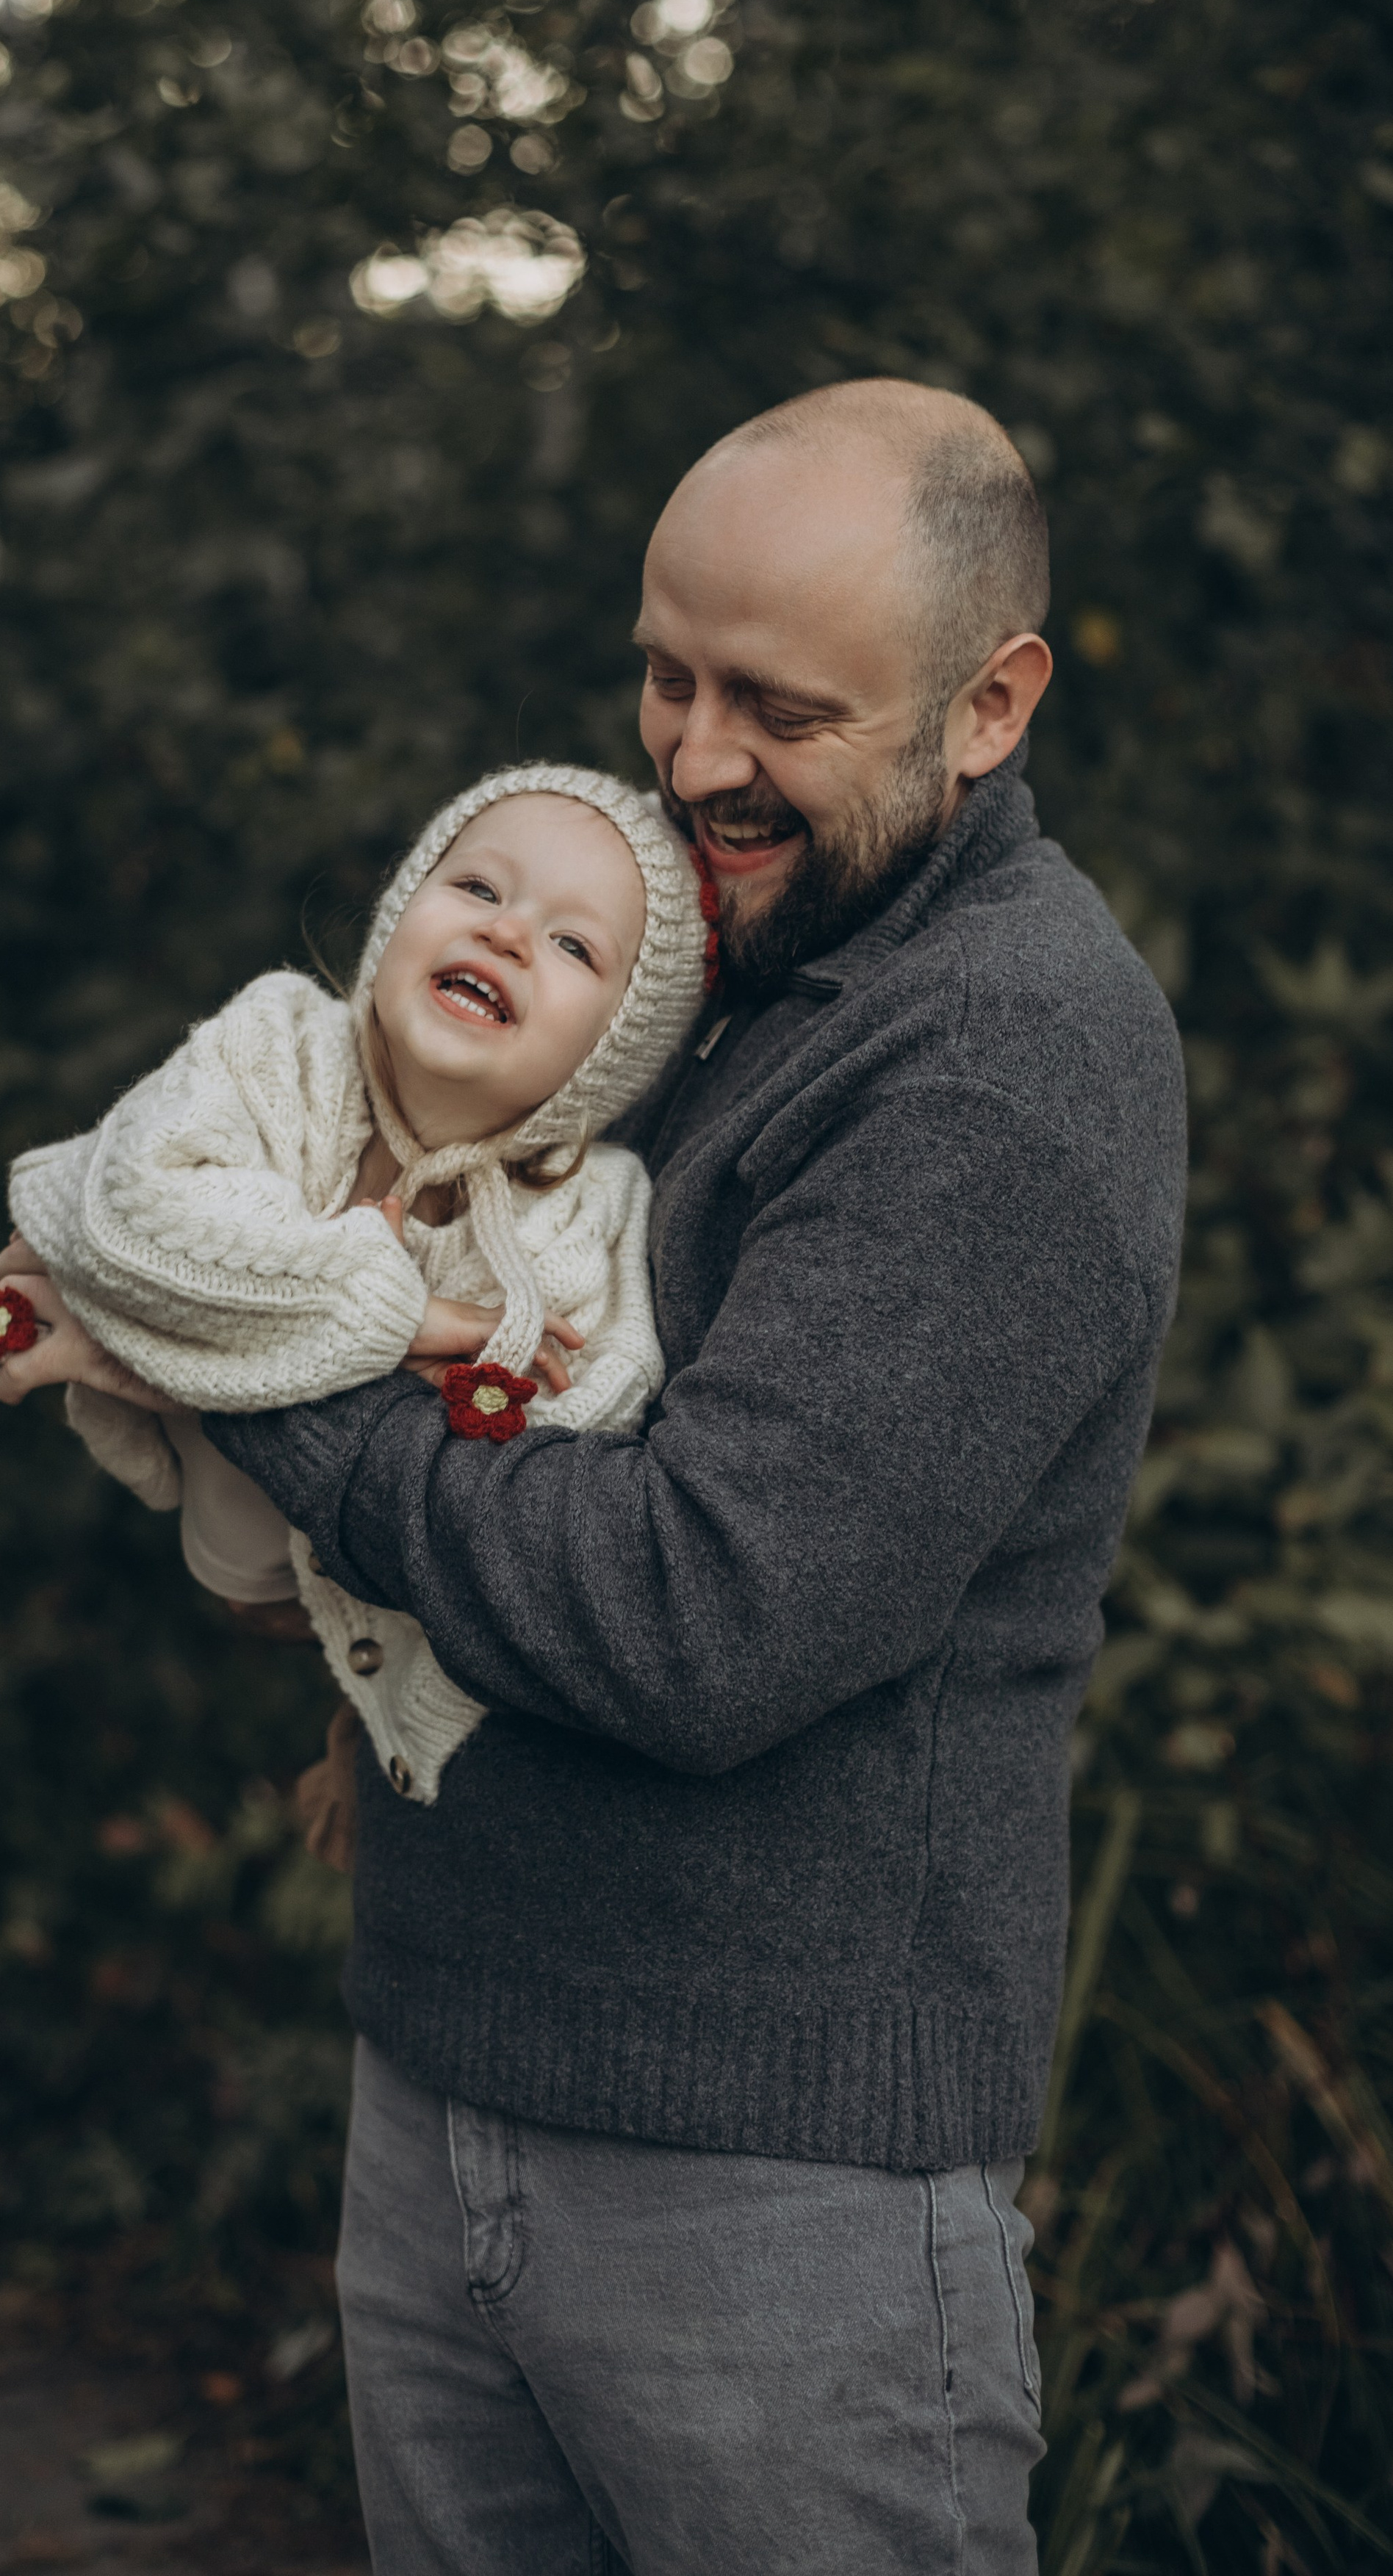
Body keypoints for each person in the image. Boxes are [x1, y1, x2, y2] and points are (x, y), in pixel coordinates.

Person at [190, 379, 1190, 2572]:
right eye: (666, 673)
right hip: (446, 2071)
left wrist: (242, 1339)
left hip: (774, 2195)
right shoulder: (688, 960)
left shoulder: (1003, 1050)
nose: (693, 758)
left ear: (992, 704)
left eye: (781, 708)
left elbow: (697, 1614)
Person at [0, 765, 708, 1813]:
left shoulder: (596, 1208)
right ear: (406, 904)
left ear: (612, 1051)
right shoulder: (279, 1045)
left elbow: (578, 1433)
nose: (506, 935)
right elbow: (133, 1209)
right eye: (480, 890)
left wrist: (213, 1348)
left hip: (392, 1614)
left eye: (573, 944)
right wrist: (411, 1324)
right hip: (234, 1543)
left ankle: (345, 1751)